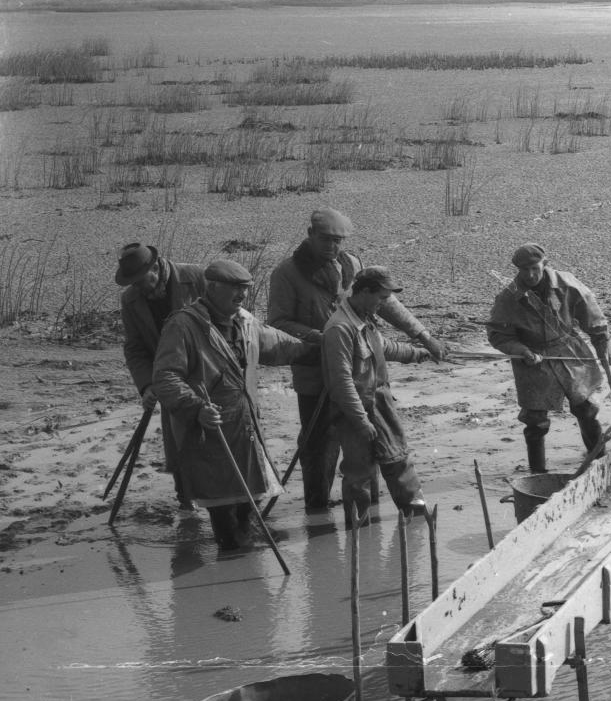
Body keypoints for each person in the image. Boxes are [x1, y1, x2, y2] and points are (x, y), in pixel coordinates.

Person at [267, 207, 447, 512]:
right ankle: (317, 508)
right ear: (310, 235)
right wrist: (319, 337)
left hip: (362, 375)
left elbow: (385, 304)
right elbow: (278, 323)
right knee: (319, 446)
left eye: (339, 240)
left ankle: (367, 511)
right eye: (326, 239)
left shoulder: (351, 265)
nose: (332, 246)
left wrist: (423, 338)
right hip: (315, 374)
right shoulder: (287, 273)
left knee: (367, 444)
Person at [152, 258, 318, 552]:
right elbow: (165, 378)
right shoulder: (184, 325)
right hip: (210, 430)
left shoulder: (245, 321)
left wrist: (322, 348)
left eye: (245, 289)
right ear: (212, 288)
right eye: (235, 289)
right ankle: (234, 560)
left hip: (245, 425)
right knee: (224, 508)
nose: (241, 295)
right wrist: (196, 407)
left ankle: (246, 574)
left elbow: (280, 346)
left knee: (249, 498)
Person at [321, 266, 433, 527]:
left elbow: (384, 347)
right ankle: (359, 534)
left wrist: (418, 354)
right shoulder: (340, 328)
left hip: (380, 403)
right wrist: (361, 421)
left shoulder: (365, 318)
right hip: (355, 411)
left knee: (398, 459)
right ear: (364, 292)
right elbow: (342, 382)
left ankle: (417, 522)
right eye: (382, 298)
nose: (385, 304)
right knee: (359, 472)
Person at [487, 243, 611, 472]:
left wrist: (603, 344)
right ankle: (537, 473)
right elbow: (498, 335)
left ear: (545, 263)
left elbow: (592, 316)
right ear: (517, 270)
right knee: (535, 420)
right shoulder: (508, 297)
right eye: (524, 270)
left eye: (535, 268)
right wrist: (521, 350)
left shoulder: (566, 284)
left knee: (586, 408)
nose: (530, 275)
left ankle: (599, 460)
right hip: (533, 359)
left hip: (568, 350)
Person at [115, 242, 207, 509]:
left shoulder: (197, 277)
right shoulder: (131, 299)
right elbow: (135, 348)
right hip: (170, 380)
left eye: (142, 281)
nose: (141, 289)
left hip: (209, 374)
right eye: (133, 283)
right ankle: (186, 504)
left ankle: (226, 502)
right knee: (179, 447)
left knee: (218, 439)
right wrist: (146, 386)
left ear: (156, 267)